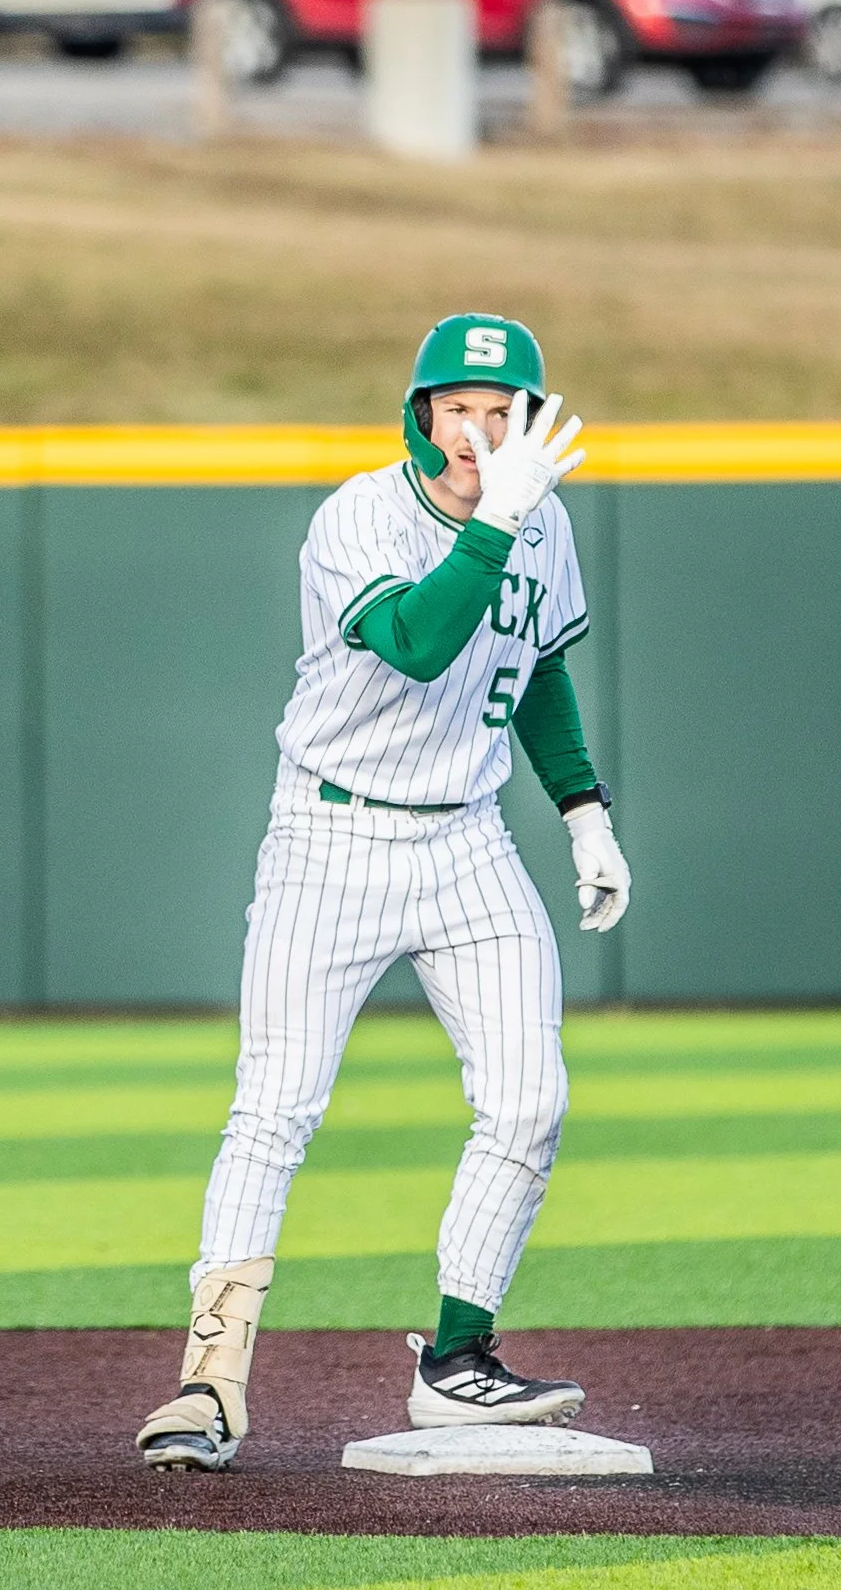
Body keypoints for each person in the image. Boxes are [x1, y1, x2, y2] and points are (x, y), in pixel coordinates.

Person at [137, 313, 630, 1472]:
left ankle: (458, 1359)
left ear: (529, 418)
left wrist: (583, 809)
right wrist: (500, 517)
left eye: (500, 409)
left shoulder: (540, 518)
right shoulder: (360, 513)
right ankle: (209, 1383)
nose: (479, 428)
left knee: (527, 1099)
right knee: (275, 1109)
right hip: (329, 834)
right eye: (455, 406)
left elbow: (538, 664)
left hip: (466, 839)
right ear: (417, 416)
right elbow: (414, 640)